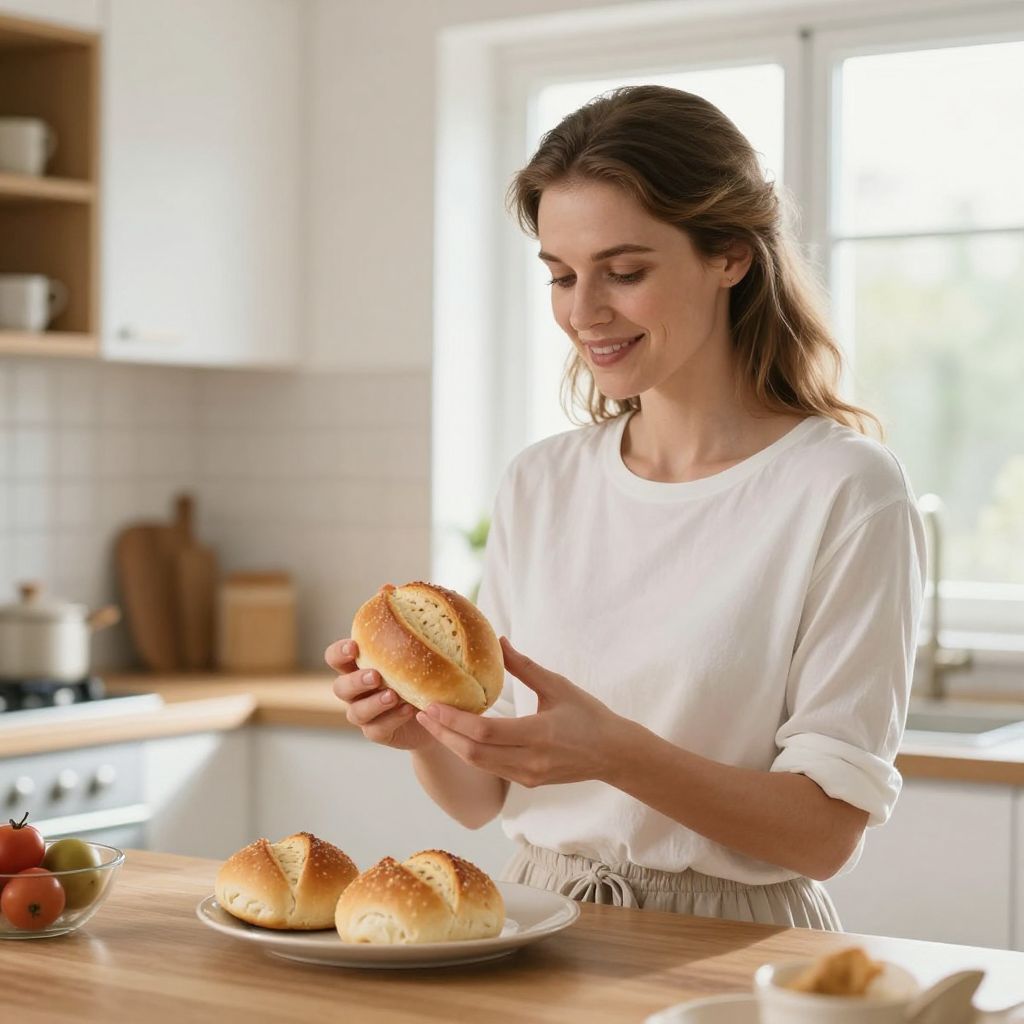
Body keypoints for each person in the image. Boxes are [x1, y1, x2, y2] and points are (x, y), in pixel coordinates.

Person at [327, 85, 925, 929]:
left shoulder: (843, 489)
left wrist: (614, 753)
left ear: (730, 255)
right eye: (562, 276)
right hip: (538, 918)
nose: (582, 312)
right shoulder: (542, 483)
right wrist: (419, 730)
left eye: (626, 271)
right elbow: (478, 798)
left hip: (732, 943)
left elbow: (823, 834)